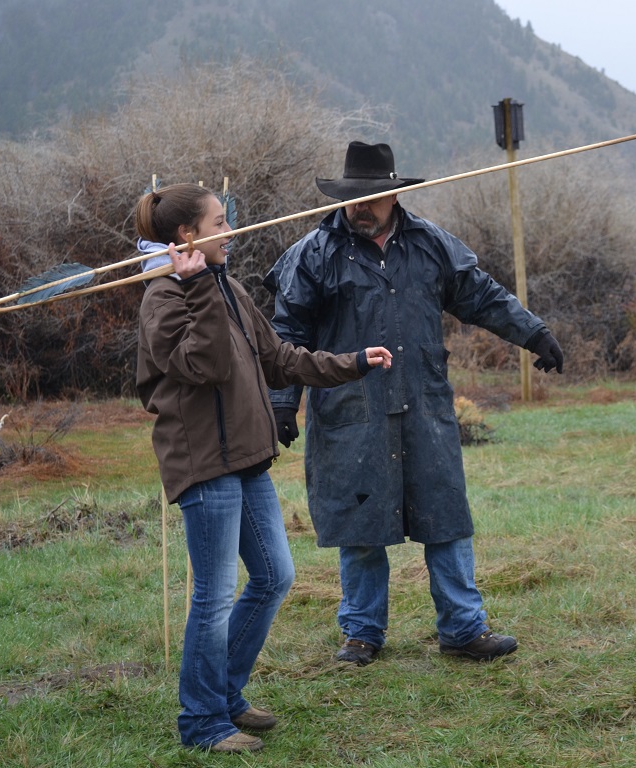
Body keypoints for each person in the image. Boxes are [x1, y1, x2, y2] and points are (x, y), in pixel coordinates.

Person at [262, 141, 564, 666]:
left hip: (424, 405)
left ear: (394, 197)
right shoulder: (313, 254)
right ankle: (361, 633)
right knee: (359, 523)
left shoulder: (431, 246)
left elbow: (482, 296)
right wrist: (282, 400)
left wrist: (533, 334)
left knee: (444, 514)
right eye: (354, 196)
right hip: (350, 411)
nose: (361, 206)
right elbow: (286, 332)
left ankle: (464, 629)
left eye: (372, 197)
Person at [134, 183, 392, 753]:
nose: (232, 231)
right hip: (204, 466)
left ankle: (224, 694)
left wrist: (352, 361)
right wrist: (197, 284)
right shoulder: (163, 297)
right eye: (221, 222)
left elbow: (280, 359)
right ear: (188, 236)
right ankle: (201, 722)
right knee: (214, 596)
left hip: (247, 458)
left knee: (276, 576)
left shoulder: (225, 287)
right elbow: (204, 364)